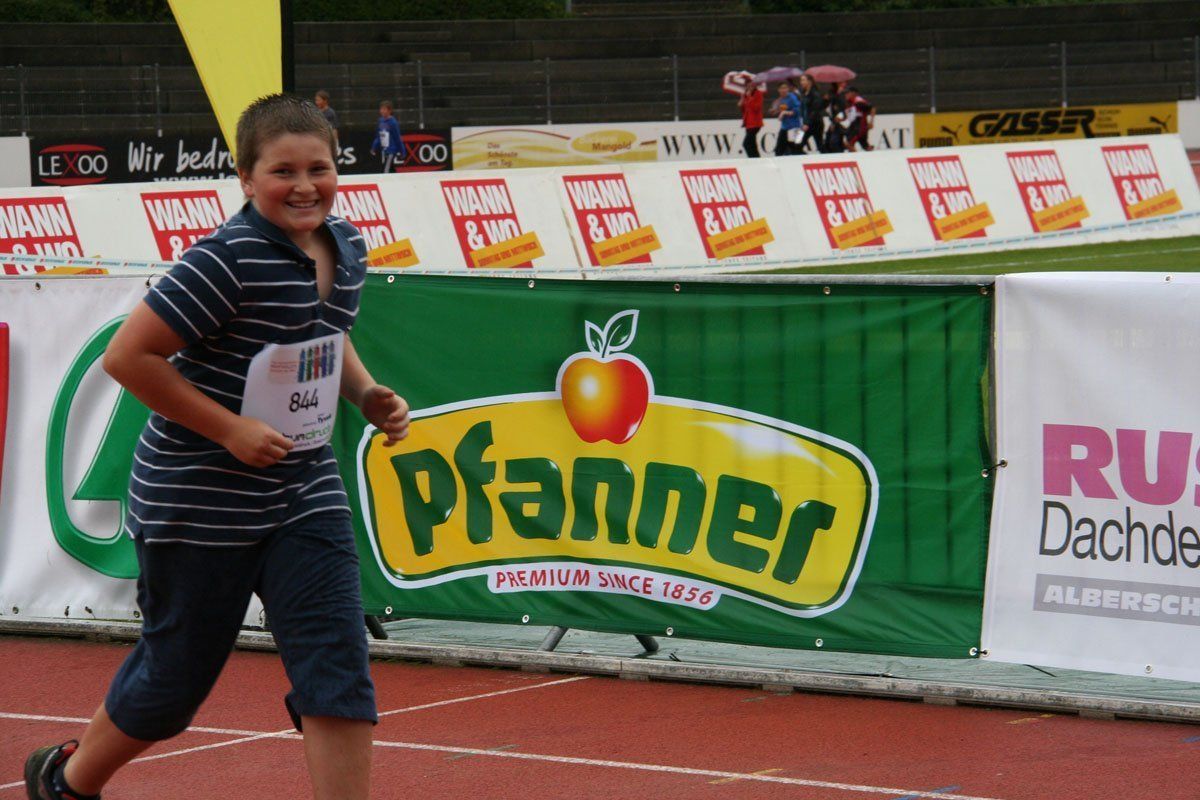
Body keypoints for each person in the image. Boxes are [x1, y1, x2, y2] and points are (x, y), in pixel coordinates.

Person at [23, 93, 410, 800]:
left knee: (336, 663)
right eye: (282, 172)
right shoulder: (224, 261)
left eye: (318, 168)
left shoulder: (347, 245)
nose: (304, 186)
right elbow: (127, 357)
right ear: (246, 177)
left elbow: (327, 332)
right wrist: (229, 429)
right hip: (197, 501)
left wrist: (365, 393)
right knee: (172, 684)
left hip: (303, 488)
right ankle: (68, 781)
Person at [370, 99, 405, 173]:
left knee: (386, 171)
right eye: (381, 109)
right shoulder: (380, 121)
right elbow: (378, 136)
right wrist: (374, 147)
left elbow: (397, 138)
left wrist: (402, 151)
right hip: (384, 150)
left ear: (390, 111)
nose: (382, 111)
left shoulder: (393, 123)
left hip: (391, 150)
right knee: (390, 169)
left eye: (384, 109)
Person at [796, 74, 825, 154]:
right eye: (801, 80)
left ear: (809, 82)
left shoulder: (815, 94)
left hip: (815, 124)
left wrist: (807, 124)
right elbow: (803, 109)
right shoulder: (803, 93)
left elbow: (815, 110)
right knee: (797, 143)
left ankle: (829, 159)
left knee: (820, 145)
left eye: (803, 80)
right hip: (806, 123)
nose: (801, 82)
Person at [772, 80, 801, 157]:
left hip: (795, 127)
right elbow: (781, 110)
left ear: (788, 89)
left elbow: (798, 110)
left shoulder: (792, 97)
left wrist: (785, 113)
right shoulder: (780, 100)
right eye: (781, 88)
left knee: (797, 150)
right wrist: (777, 111)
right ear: (778, 90)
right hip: (785, 127)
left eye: (785, 88)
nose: (783, 90)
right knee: (779, 150)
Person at [843, 87, 875, 151]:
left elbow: (872, 108)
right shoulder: (851, 102)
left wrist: (871, 122)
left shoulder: (858, 102)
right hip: (855, 125)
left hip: (860, 126)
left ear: (853, 93)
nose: (845, 95)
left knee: (849, 143)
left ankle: (855, 156)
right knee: (865, 146)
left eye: (847, 93)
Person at [737, 80, 764, 158]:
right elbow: (744, 110)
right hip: (748, 123)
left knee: (746, 144)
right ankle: (757, 159)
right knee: (752, 144)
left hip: (755, 124)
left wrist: (749, 98)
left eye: (751, 86)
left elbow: (756, 108)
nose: (750, 87)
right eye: (748, 86)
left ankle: (753, 159)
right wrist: (741, 103)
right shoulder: (746, 96)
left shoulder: (758, 94)